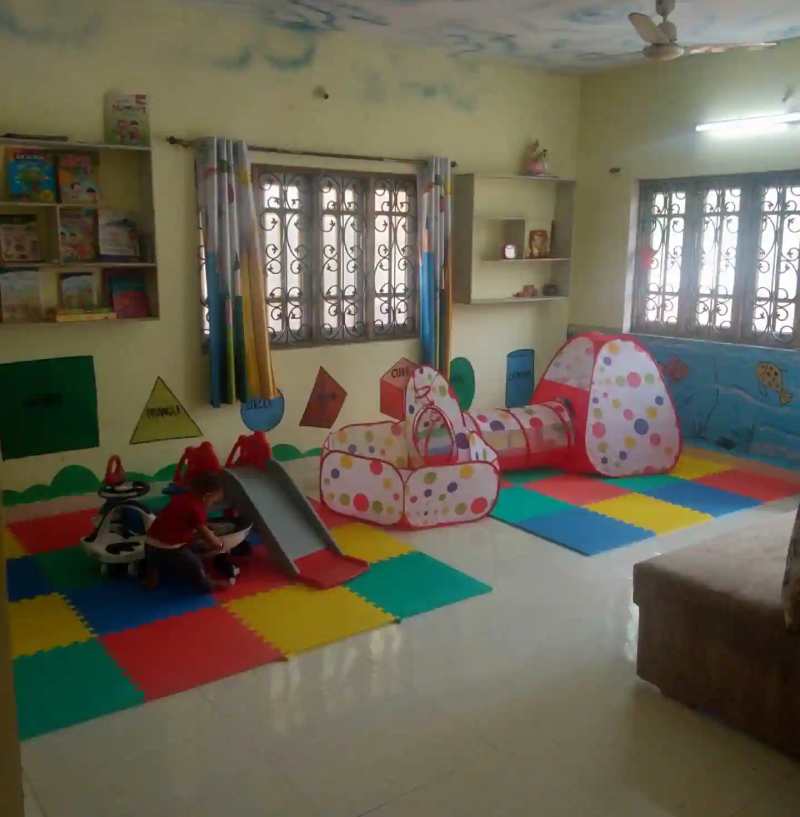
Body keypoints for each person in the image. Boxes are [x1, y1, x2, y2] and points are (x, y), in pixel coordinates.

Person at [144, 471, 227, 593]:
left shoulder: (182, 497)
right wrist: (219, 544)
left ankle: (152, 576)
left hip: (149, 545)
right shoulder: (196, 508)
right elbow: (206, 535)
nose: (211, 505)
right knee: (196, 564)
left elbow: (182, 522)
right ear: (206, 496)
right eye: (213, 502)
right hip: (170, 549)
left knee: (157, 558)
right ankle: (207, 584)